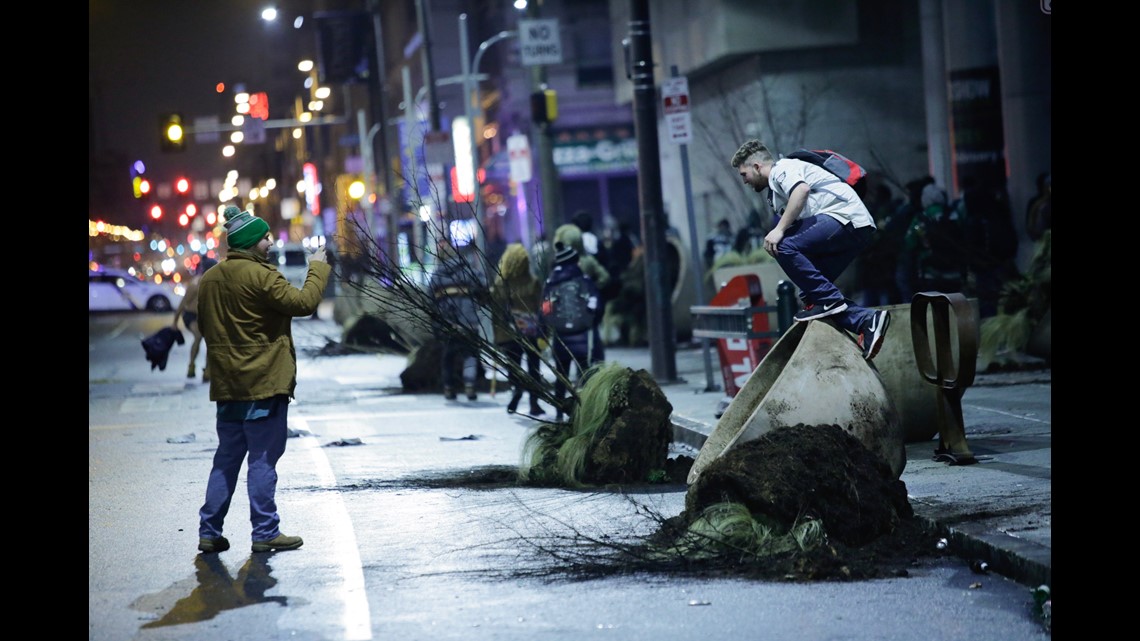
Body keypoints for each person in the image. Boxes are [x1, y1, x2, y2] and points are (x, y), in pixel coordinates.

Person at [195, 205, 330, 554]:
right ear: (253, 242)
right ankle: (265, 532)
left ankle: (209, 531)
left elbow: (204, 326)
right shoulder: (263, 276)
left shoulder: (209, 280)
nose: (270, 242)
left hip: (227, 385)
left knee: (226, 458)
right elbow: (303, 303)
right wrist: (317, 267)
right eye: (266, 237)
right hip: (263, 383)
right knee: (262, 458)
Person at [730, 139, 890, 360]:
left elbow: (801, 191)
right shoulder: (775, 194)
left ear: (757, 166)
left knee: (782, 244)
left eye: (744, 174)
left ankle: (833, 302)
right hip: (855, 228)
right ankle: (866, 321)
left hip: (844, 219)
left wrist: (779, 229)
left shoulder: (782, 169)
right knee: (813, 297)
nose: (745, 181)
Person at [541, 242, 604, 420]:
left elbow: (544, 310)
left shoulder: (550, 283)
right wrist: (593, 323)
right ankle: (584, 412)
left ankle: (560, 411)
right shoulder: (584, 281)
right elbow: (597, 306)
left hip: (560, 339)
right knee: (584, 375)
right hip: (584, 336)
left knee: (561, 376)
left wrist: (545, 331)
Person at [490, 243, 545, 416]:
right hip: (531, 331)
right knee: (533, 367)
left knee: (514, 366)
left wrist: (497, 337)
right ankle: (534, 402)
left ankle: (516, 388)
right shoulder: (533, 282)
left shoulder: (500, 284)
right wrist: (545, 331)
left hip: (508, 333)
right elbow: (541, 307)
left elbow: (496, 312)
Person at [428, 240, 487, 401]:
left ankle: (449, 387)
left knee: (448, 356)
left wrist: (436, 325)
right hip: (469, 322)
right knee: (470, 354)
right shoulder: (468, 271)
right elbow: (484, 285)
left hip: (447, 322)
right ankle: (469, 385)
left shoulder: (436, 276)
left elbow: (430, 302)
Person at [172, 257, 218, 383]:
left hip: (206, 317)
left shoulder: (215, 283)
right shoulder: (195, 285)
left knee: (211, 341)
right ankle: (191, 364)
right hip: (191, 316)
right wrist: (175, 322)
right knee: (198, 336)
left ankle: (208, 370)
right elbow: (182, 303)